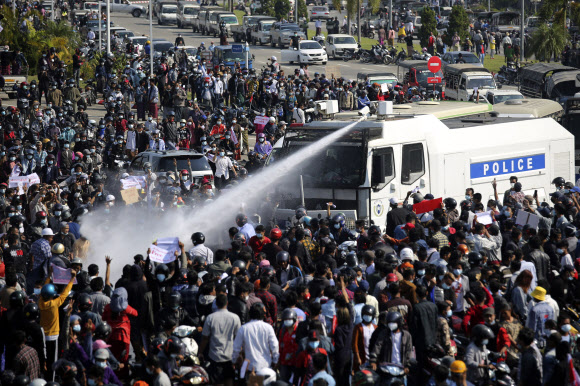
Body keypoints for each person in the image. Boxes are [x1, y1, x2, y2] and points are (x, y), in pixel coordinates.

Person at [198, 294, 240, 386]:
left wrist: (200, 352)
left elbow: (205, 338)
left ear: (216, 304)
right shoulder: (235, 318)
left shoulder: (210, 318)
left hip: (215, 356)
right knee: (229, 380)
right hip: (229, 356)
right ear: (227, 303)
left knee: (217, 382)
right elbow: (238, 339)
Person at [232, 303, 279, 374]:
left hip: (250, 367)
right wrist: (275, 361)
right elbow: (275, 346)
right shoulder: (268, 328)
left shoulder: (243, 329)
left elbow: (236, 348)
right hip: (266, 366)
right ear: (263, 314)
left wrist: (234, 361)